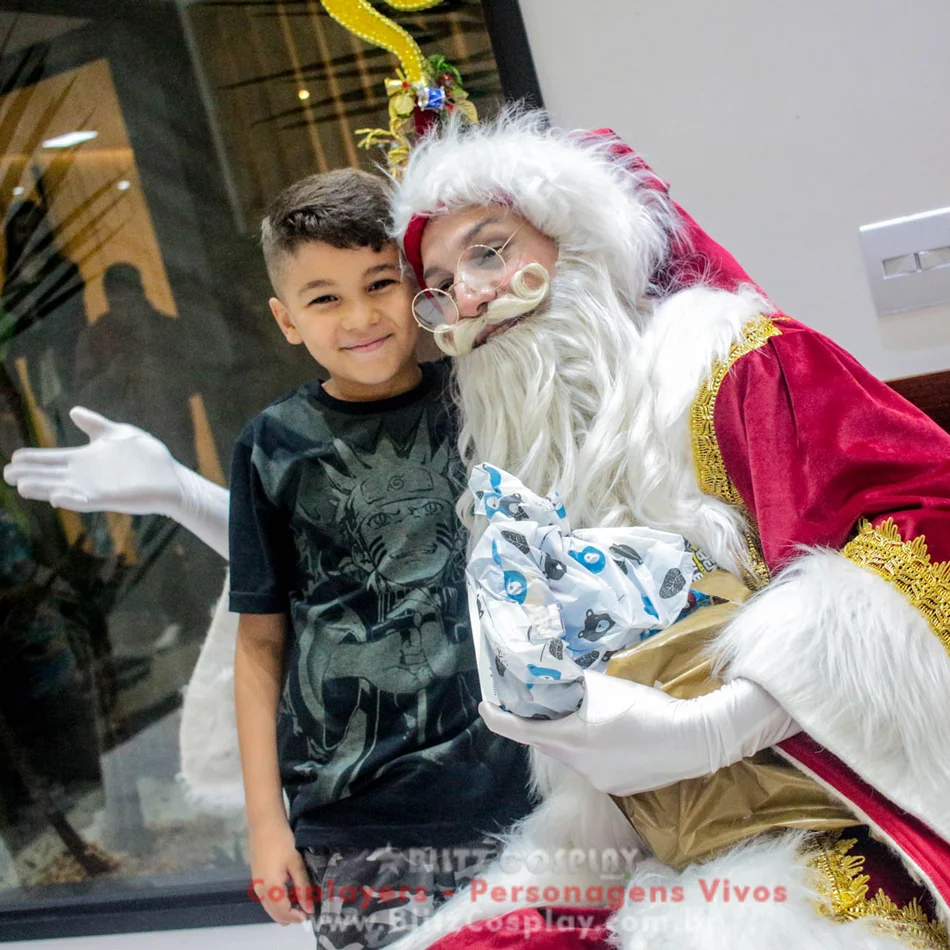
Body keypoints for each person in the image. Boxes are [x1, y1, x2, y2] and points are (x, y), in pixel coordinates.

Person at [387, 111, 950, 950]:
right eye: (439, 282)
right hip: (648, 846)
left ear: (573, 238)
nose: (465, 295)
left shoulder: (749, 365)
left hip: (847, 822)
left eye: (490, 250)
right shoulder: (532, 477)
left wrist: (723, 723)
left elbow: (928, 522)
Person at [228, 168, 533, 945]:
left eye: (379, 283)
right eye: (324, 297)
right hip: (356, 815)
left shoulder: (484, 394)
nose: (360, 316)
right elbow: (260, 644)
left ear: (417, 286)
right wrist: (268, 828)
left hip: (521, 784)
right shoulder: (273, 449)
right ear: (286, 318)